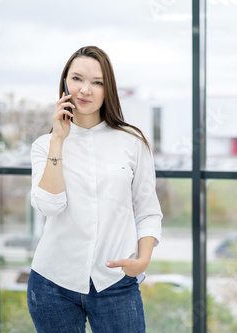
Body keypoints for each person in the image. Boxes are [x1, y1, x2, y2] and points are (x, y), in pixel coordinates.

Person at [27, 46, 163, 333]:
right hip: (52, 284)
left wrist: (143, 260)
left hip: (115, 283)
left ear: (107, 89)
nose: (85, 90)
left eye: (97, 82)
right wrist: (58, 141)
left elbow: (149, 212)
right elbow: (50, 206)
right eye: (77, 79)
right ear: (65, 83)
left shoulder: (132, 142)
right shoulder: (44, 145)